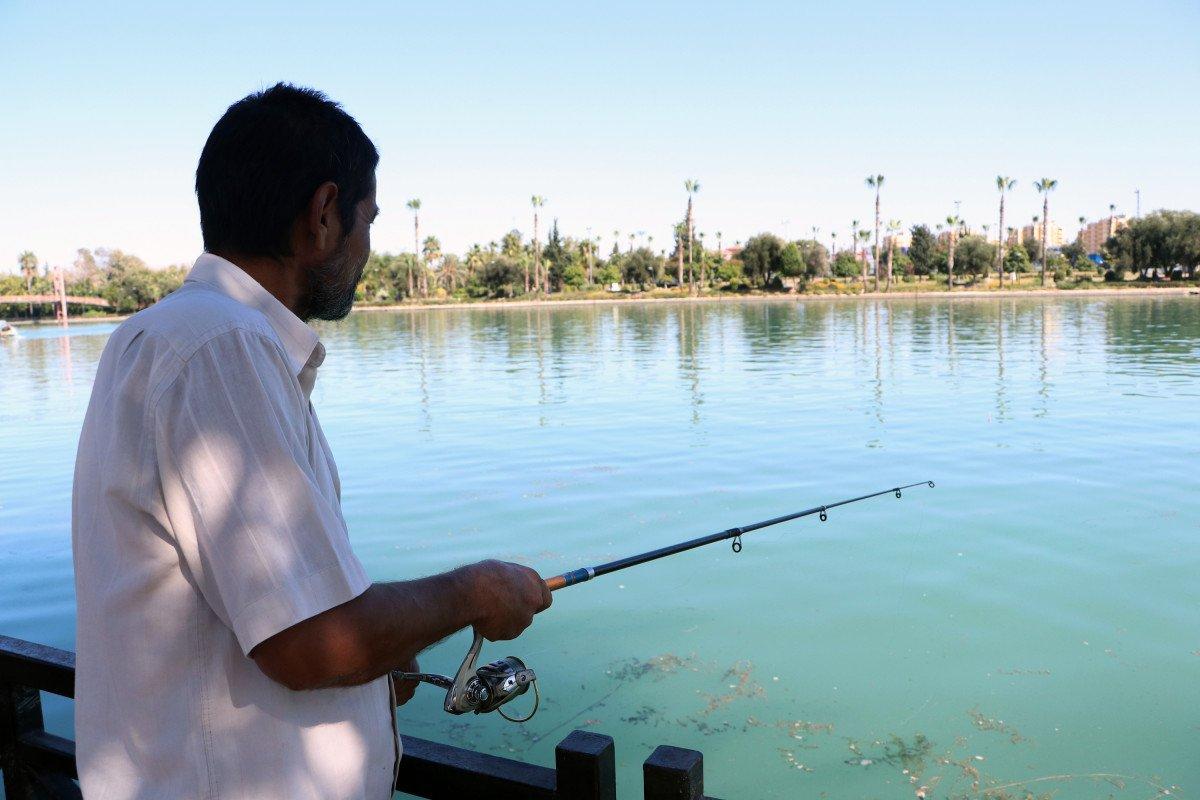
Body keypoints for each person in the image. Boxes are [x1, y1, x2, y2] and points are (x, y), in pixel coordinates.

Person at [71, 83, 551, 799]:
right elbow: (310, 643)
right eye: (367, 220)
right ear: (323, 215)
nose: (367, 248)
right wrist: (475, 590)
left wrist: (374, 669)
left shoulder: (159, 335)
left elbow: (247, 621)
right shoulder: (221, 350)